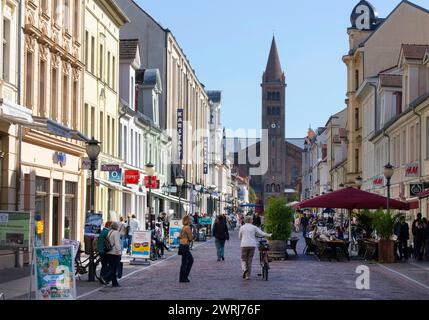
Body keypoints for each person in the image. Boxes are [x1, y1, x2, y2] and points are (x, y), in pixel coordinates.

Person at [239, 216, 272, 280]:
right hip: (252, 245)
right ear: (251, 221)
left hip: (244, 245)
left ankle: (244, 269)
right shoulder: (254, 227)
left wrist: (242, 239)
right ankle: (248, 276)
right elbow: (261, 233)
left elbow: (239, 236)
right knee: (249, 260)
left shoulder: (242, 227)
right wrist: (269, 235)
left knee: (243, 259)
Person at [100, 221, 122, 287]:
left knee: (112, 267)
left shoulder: (109, 232)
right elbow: (117, 243)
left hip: (109, 252)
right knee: (114, 268)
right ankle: (105, 278)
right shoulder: (116, 233)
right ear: (116, 226)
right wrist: (119, 252)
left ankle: (114, 283)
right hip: (115, 252)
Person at [178, 215, 195, 283]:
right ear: (188, 220)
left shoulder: (183, 227)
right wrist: (193, 237)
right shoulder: (187, 227)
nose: (191, 221)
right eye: (190, 220)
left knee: (185, 261)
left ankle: (183, 277)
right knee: (189, 261)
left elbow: (179, 236)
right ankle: (184, 277)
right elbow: (190, 238)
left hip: (182, 245)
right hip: (185, 245)